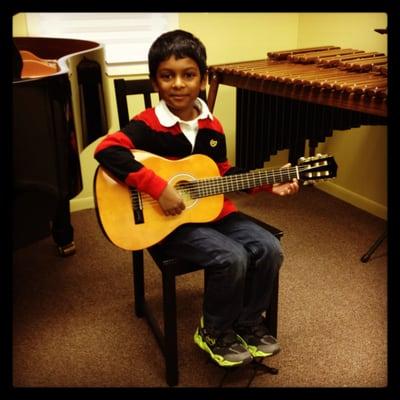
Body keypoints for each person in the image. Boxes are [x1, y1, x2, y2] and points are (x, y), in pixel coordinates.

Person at [94, 29, 299, 367]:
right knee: (231, 257)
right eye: (167, 76)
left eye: (188, 75)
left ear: (203, 79)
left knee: (269, 248)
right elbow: (107, 151)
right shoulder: (147, 125)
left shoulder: (212, 125)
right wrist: (160, 188)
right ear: (154, 82)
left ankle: (247, 323)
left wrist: (268, 184)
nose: (178, 84)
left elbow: (220, 172)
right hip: (167, 222)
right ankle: (214, 331)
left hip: (212, 210)